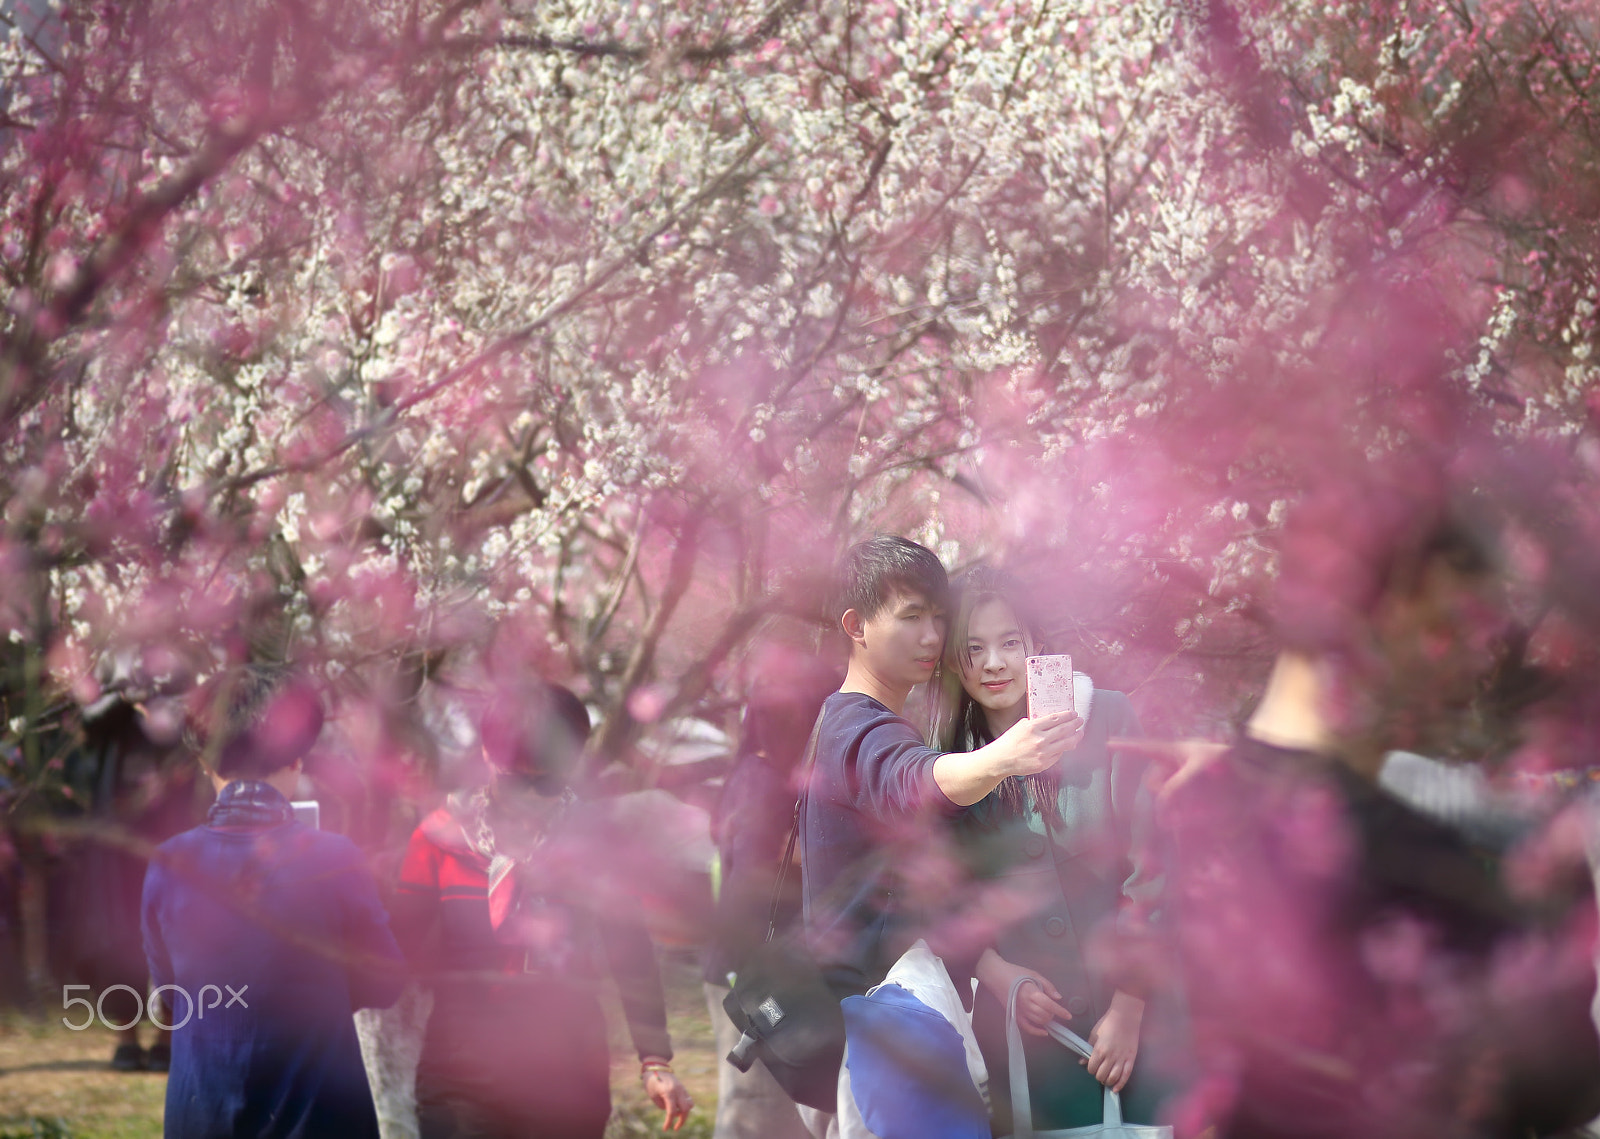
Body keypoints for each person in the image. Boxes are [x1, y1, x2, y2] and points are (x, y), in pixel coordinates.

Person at [1157, 485, 1600, 1139]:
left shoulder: (1201, 801)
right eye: (1445, 628)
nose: (1468, 667)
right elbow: (1561, 1086)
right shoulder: (1408, 860)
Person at [798, 536, 1084, 1126]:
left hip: (884, 1017)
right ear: (856, 625)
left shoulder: (853, 719)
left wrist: (996, 970)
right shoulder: (859, 726)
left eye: (938, 618)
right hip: (892, 1020)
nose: (932, 637)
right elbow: (916, 781)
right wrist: (1007, 755)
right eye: (910, 618)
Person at [392, 680, 694, 1139]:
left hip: (568, 1071)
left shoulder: (598, 840)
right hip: (462, 1072)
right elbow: (400, 947)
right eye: (519, 782)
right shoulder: (440, 837)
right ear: (490, 759)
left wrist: (655, 1060)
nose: (533, 799)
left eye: (549, 782)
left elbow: (631, 954)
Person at [930, 565, 1164, 1132]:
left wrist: (1130, 1005)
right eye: (973, 648)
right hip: (1029, 1043)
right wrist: (998, 972)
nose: (993, 664)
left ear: (1036, 644)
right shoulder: (949, 764)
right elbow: (941, 894)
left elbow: (1153, 871)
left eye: (1010, 642)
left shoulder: (1106, 716)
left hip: (1134, 1027)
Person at [141, 668, 405, 1139]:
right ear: (298, 760)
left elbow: (172, 995)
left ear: (205, 762)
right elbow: (384, 982)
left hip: (202, 1114)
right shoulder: (335, 858)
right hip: (319, 1113)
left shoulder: (168, 863)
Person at [702, 648, 839, 1139]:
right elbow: (746, 892)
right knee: (758, 1117)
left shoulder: (761, 775)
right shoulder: (762, 782)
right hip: (756, 977)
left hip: (762, 973)